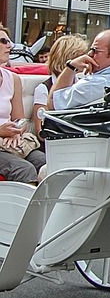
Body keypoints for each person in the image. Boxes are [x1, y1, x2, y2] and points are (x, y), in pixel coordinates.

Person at [0, 28, 47, 184]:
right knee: (24, 170)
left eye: (9, 41)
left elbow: (20, 119)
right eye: (3, 41)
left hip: (11, 141)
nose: (10, 46)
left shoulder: (12, 79)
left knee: (49, 163)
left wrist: (15, 131)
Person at [49, 29, 110, 110]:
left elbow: (52, 103)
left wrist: (71, 67)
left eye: (95, 50)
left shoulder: (95, 83)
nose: (89, 54)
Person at [32, 34, 88, 139]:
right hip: (57, 144)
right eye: (82, 56)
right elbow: (41, 133)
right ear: (68, 58)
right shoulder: (43, 88)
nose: (86, 59)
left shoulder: (83, 84)